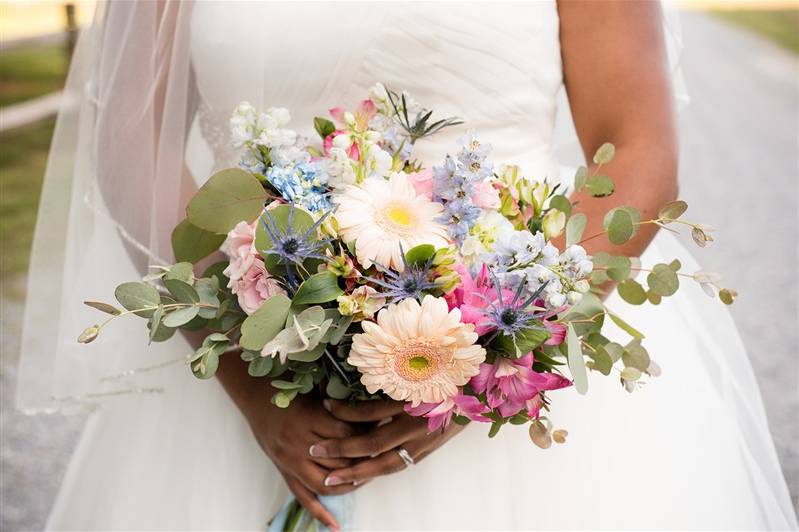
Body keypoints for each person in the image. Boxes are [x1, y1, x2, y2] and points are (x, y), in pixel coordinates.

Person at [18, 1, 797, 530]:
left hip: (518, 369)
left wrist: (481, 367)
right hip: (238, 357)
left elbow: (635, 150)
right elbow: (130, 143)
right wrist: (251, 384)